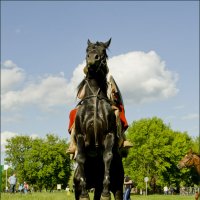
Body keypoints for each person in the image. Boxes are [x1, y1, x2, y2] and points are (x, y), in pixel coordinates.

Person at [67, 69, 133, 157]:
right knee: (74, 113)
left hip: (104, 104)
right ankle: (73, 144)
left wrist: (112, 91)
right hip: (88, 105)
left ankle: (121, 137)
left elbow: (113, 95)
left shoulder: (106, 82)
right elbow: (80, 96)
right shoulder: (85, 82)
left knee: (118, 110)